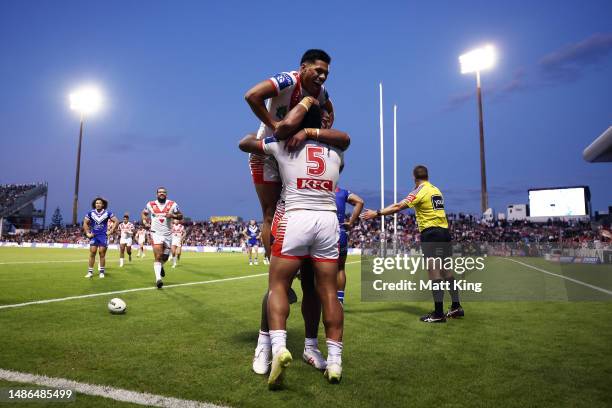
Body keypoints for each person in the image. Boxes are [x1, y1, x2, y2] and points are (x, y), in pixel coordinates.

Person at [239, 103, 349, 388]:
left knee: (280, 285)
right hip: (327, 222)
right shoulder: (337, 151)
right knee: (329, 293)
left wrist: (279, 130)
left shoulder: (282, 143)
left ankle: (280, 347)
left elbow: (245, 144)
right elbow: (344, 139)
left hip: (296, 218)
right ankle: (334, 360)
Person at [244, 49, 334, 265]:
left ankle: (296, 261)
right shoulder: (287, 80)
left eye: (326, 74)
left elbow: (330, 111)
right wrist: (273, 125)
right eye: (318, 71)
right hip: (266, 152)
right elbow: (251, 96)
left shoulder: (320, 93)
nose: (322, 77)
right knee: (270, 212)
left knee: (294, 209)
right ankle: (273, 267)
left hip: (294, 153)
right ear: (303, 68)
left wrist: (318, 132)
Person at [362, 165, 463, 323]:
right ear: (427, 175)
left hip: (431, 233)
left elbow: (398, 206)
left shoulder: (420, 190)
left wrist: (376, 213)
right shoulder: (436, 190)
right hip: (444, 232)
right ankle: (456, 307)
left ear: (414, 178)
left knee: (434, 272)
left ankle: (438, 313)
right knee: (446, 271)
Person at [141, 187, 183, 288]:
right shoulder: (150, 204)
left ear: (166, 194)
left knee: (165, 257)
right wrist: (144, 221)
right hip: (155, 233)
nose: (162, 194)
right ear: (156, 194)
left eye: (163, 192)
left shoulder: (172, 204)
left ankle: (161, 266)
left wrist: (173, 215)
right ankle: (158, 279)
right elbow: (144, 213)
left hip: (168, 234)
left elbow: (181, 216)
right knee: (158, 256)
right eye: (160, 192)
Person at [335, 187, 364, 305]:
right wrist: (351, 222)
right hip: (339, 232)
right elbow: (360, 201)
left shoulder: (318, 189)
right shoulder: (342, 192)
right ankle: (340, 300)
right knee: (340, 268)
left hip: (321, 232)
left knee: (316, 268)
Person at [83, 197, 118, 278]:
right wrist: (87, 233)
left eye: (99, 203)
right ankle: (90, 272)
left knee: (102, 253)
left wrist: (111, 231)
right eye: (96, 203)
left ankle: (102, 272)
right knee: (92, 252)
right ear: (95, 204)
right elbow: (85, 223)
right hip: (94, 235)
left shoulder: (107, 213)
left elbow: (116, 221)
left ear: (103, 205)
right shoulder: (90, 213)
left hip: (103, 236)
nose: (98, 204)